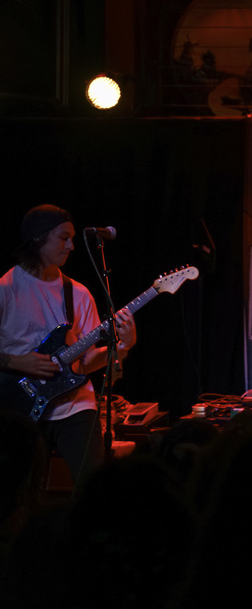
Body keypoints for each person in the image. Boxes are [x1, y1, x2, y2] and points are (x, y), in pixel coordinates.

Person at [0, 205, 136, 485]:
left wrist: (122, 347)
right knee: (20, 492)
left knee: (94, 486)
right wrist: (15, 361)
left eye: (73, 238)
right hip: (18, 406)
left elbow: (85, 363)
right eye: (64, 237)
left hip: (75, 404)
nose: (72, 246)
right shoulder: (6, 288)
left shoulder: (79, 293)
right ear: (39, 239)